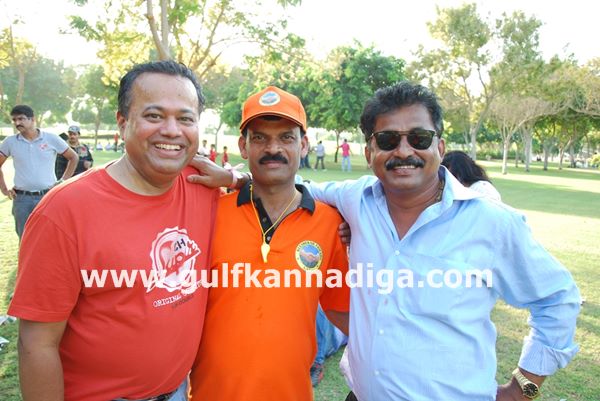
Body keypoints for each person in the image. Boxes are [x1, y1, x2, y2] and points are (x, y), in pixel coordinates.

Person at [189, 82, 581, 401]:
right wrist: (238, 179)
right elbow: (283, 184)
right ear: (370, 150)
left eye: (419, 138)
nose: (404, 151)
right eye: (389, 139)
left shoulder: (492, 223)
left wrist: (522, 389)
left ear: (440, 147)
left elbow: (559, 300)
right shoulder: (354, 201)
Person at [8, 60, 219, 401]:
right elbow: (37, 343)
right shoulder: (64, 211)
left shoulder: (205, 189)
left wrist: (239, 177)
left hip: (178, 391)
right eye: (154, 115)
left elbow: (274, 192)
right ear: (123, 123)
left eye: (185, 118)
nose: (172, 130)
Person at [188, 86, 350, 401]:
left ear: (303, 145)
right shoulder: (209, 214)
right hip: (211, 393)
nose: (273, 148)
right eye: (260, 137)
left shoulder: (331, 224)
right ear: (243, 146)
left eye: (286, 137)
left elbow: (343, 312)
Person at [0, 105, 78, 240]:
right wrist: (4, 189)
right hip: (22, 199)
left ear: (32, 119)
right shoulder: (10, 142)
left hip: (47, 196)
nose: (17, 123)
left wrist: (63, 181)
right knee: (25, 239)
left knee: (49, 237)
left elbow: (73, 157)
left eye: (21, 119)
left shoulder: (51, 139)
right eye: (14, 120)